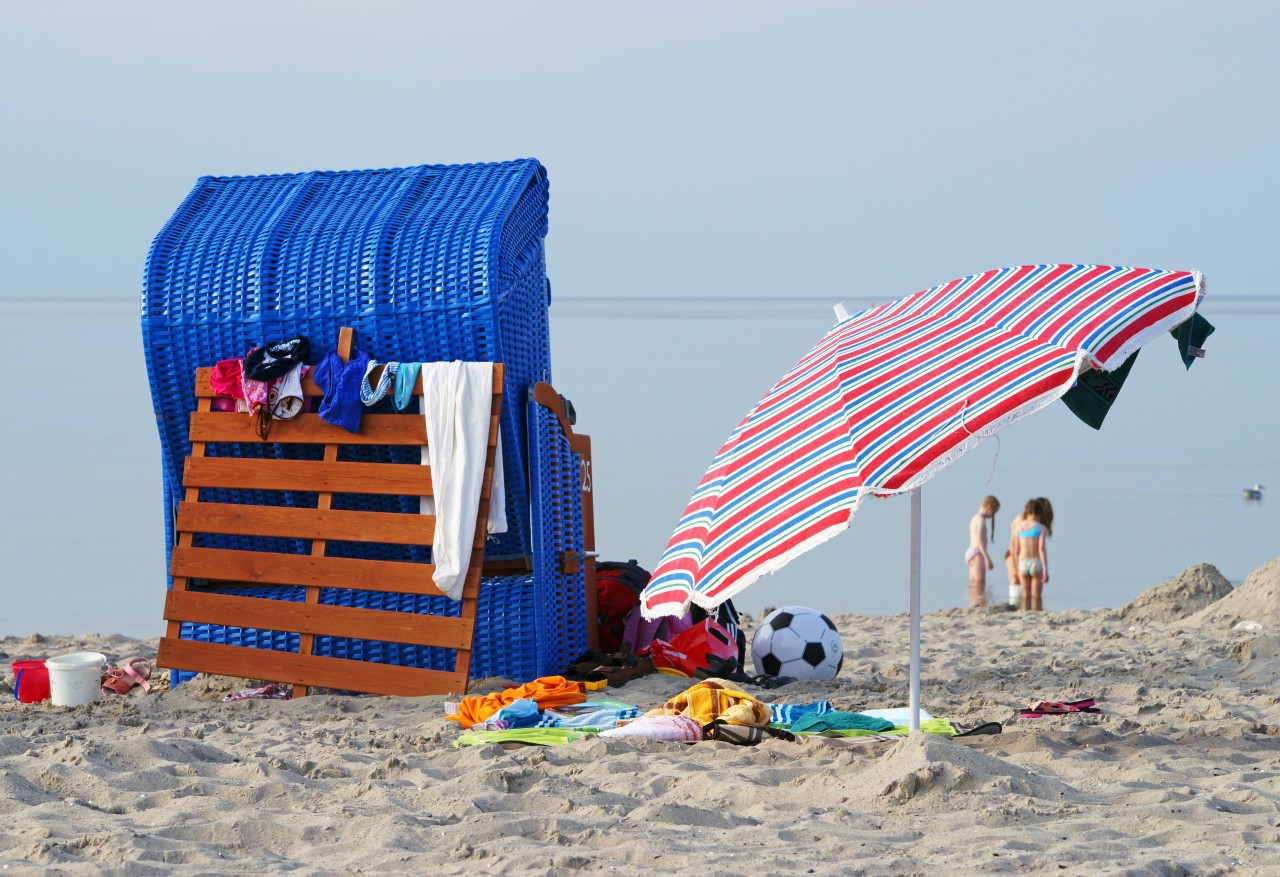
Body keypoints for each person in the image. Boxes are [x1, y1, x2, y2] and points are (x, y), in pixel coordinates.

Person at [1014, 497, 1053, 611]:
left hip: (1022, 562)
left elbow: (1016, 550)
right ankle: (1037, 613)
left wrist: (1016, 568)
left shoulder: (1019, 527)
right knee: (1036, 597)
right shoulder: (1041, 528)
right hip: (1035, 562)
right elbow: (1041, 549)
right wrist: (1045, 570)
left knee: (1026, 595)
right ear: (1040, 513)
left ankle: (1026, 614)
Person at [964, 496, 1000, 607]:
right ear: (990, 508)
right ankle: (980, 603)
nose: (992, 516)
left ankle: (973, 602)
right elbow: (979, 541)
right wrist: (987, 559)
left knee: (974, 582)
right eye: (993, 513)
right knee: (980, 583)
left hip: (970, 552)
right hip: (977, 553)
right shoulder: (980, 521)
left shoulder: (974, 518)